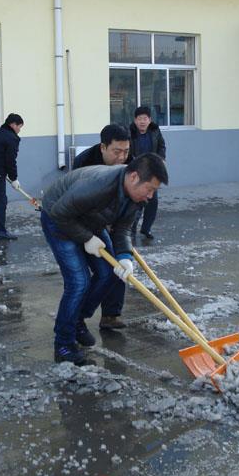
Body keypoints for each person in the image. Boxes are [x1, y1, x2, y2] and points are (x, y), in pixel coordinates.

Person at [41, 154, 168, 365]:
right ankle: (63, 344)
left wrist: (125, 257)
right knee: (78, 282)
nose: (150, 196)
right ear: (134, 177)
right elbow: (60, 213)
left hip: (90, 219)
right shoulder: (98, 185)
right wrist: (87, 238)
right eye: (149, 189)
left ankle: (77, 320)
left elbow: (123, 228)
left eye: (155, 190)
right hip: (58, 218)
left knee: (110, 272)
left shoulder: (137, 196)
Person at [72, 124, 131, 330]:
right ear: (103, 147)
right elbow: (77, 202)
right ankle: (76, 316)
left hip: (113, 220)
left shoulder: (130, 163)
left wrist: (120, 225)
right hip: (82, 223)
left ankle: (110, 315)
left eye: (126, 151)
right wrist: (102, 221)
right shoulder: (84, 163)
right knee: (95, 274)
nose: (122, 157)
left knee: (119, 265)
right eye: (116, 152)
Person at [129, 106, 167, 239]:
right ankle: (131, 229)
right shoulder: (130, 132)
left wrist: (160, 159)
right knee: (136, 202)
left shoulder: (155, 131)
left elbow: (162, 146)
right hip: (136, 171)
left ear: (149, 120)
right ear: (135, 120)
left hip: (152, 171)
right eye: (140, 119)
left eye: (145, 119)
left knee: (152, 201)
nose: (142, 122)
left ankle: (146, 229)